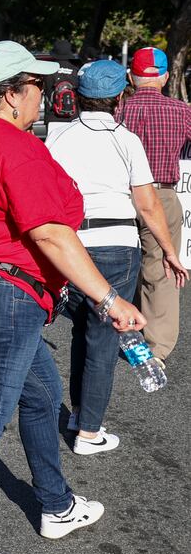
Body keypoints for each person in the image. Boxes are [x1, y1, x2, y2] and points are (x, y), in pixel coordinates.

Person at [0, 41, 144, 554]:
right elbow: (50, 232)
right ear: (11, 93)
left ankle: (57, 504)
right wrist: (109, 298)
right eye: (37, 86)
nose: (44, 96)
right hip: (1, 291)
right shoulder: (10, 145)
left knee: (43, 397)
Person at [46, 59, 186, 454]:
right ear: (119, 98)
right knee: (104, 336)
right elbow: (147, 204)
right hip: (117, 244)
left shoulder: (58, 137)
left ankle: (78, 414)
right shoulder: (125, 139)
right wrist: (171, 252)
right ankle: (89, 431)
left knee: (83, 331)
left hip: (71, 244)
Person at [116, 47, 191, 367]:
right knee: (161, 268)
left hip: (120, 194)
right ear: (164, 76)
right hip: (162, 195)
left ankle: (121, 325)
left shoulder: (119, 110)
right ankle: (156, 348)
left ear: (132, 76)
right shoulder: (182, 111)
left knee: (121, 262)